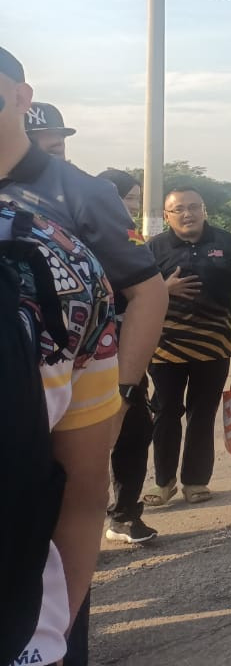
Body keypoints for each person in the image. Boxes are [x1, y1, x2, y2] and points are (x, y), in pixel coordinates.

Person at [1, 47, 167, 666]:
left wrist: (121, 394)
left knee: (60, 528)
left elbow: (146, 291)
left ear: (21, 97)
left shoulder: (81, 193)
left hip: (70, 394)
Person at [145, 188, 231, 507]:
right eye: (179, 209)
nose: (188, 214)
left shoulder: (225, 241)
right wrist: (164, 289)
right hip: (165, 346)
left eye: (194, 207)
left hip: (213, 344)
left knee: (202, 414)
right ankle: (163, 483)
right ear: (167, 216)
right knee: (165, 412)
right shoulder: (154, 247)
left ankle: (195, 482)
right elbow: (139, 294)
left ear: (204, 210)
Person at [95, 169, 157, 545]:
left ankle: (124, 515)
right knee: (86, 440)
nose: (132, 207)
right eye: (129, 198)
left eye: (135, 199)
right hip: (87, 356)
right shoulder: (75, 233)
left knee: (135, 430)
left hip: (127, 352)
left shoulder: (130, 238)